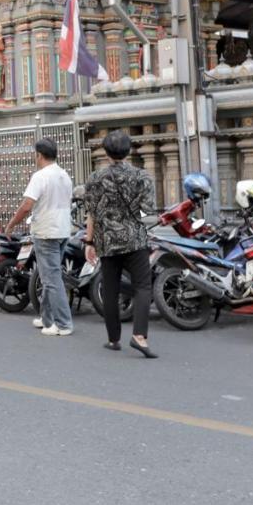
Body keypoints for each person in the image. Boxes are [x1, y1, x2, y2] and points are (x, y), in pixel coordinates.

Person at [84, 130, 158, 358]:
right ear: (129, 151)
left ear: (106, 152)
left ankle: (113, 339)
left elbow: (92, 214)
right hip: (135, 240)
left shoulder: (95, 178)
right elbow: (148, 212)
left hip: (107, 242)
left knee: (111, 289)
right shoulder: (142, 177)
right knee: (143, 287)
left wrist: (89, 242)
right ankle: (139, 336)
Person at [4, 138, 74, 336]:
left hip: (46, 231)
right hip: (62, 230)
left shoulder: (40, 176)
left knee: (51, 279)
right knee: (48, 276)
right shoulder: (64, 175)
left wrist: (11, 224)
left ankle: (63, 323)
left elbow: (27, 205)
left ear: (39, 155)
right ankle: (46, 318)